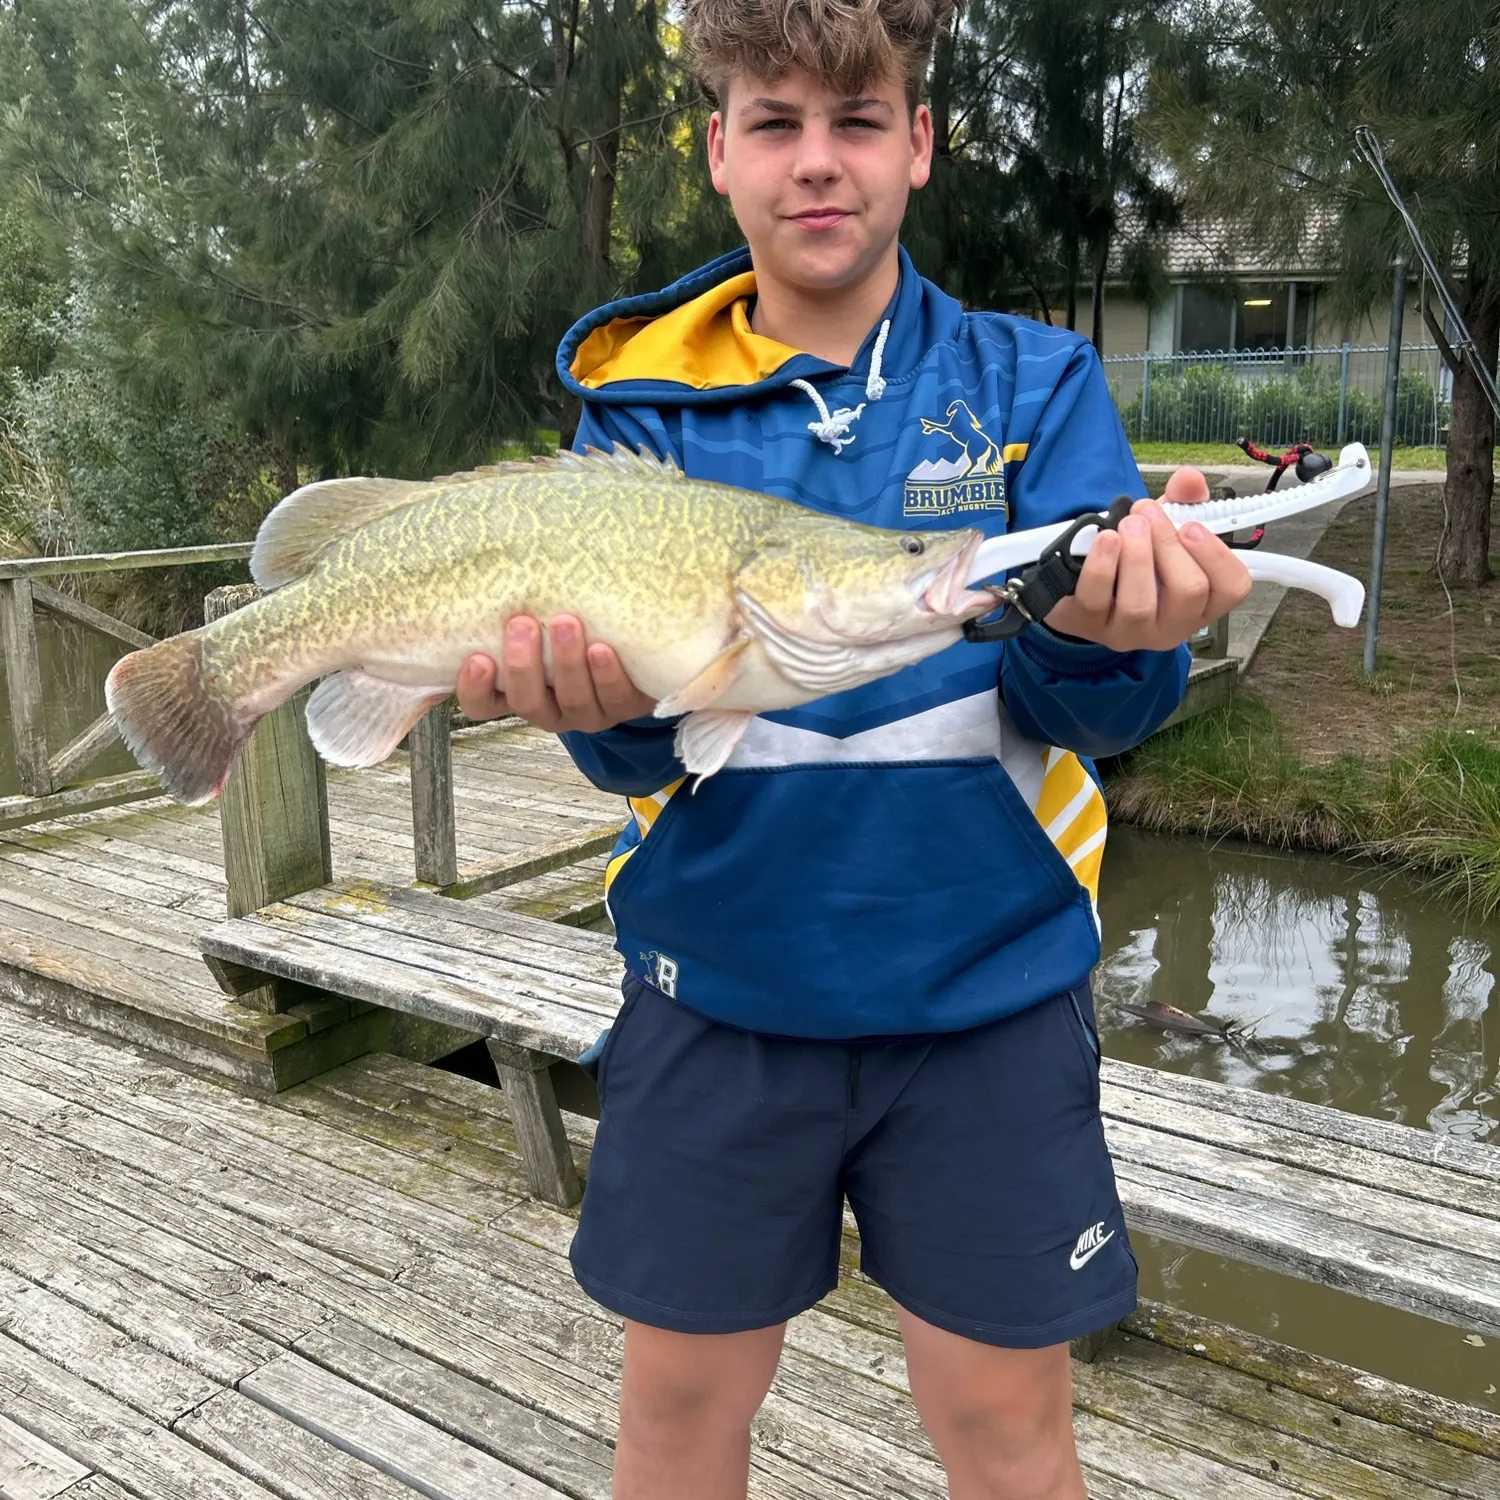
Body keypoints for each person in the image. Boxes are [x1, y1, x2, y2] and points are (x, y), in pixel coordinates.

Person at [457, 3, 1245, 1496]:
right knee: (678, 1412)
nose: (818, 161)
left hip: (988, 1002)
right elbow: (634, 767)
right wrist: (597, 710)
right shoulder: (637, 420)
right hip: (713, 996)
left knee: (1005, 1426)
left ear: (919, 143)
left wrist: (1125, 635)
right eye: (776, 123)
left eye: (858, 120)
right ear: (718, 151)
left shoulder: (1031, 387)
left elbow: (1100, 714)